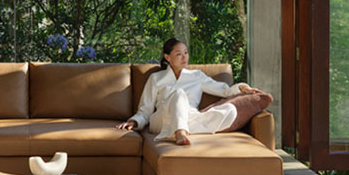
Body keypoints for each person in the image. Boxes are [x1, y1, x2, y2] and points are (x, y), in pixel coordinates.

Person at [115, 38, 272, 146]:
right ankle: (180, 133)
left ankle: (182, 129)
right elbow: (146, 109)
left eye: (186, 53)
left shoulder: (196, 76)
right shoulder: (156, 78)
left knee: (229, 110)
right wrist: (134, 122)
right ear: (167, 57)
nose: (184, 57)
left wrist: (242, 88)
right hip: (161, 120)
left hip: (191, 118)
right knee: (178, 94)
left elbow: (223, 90)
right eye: (178, 54)